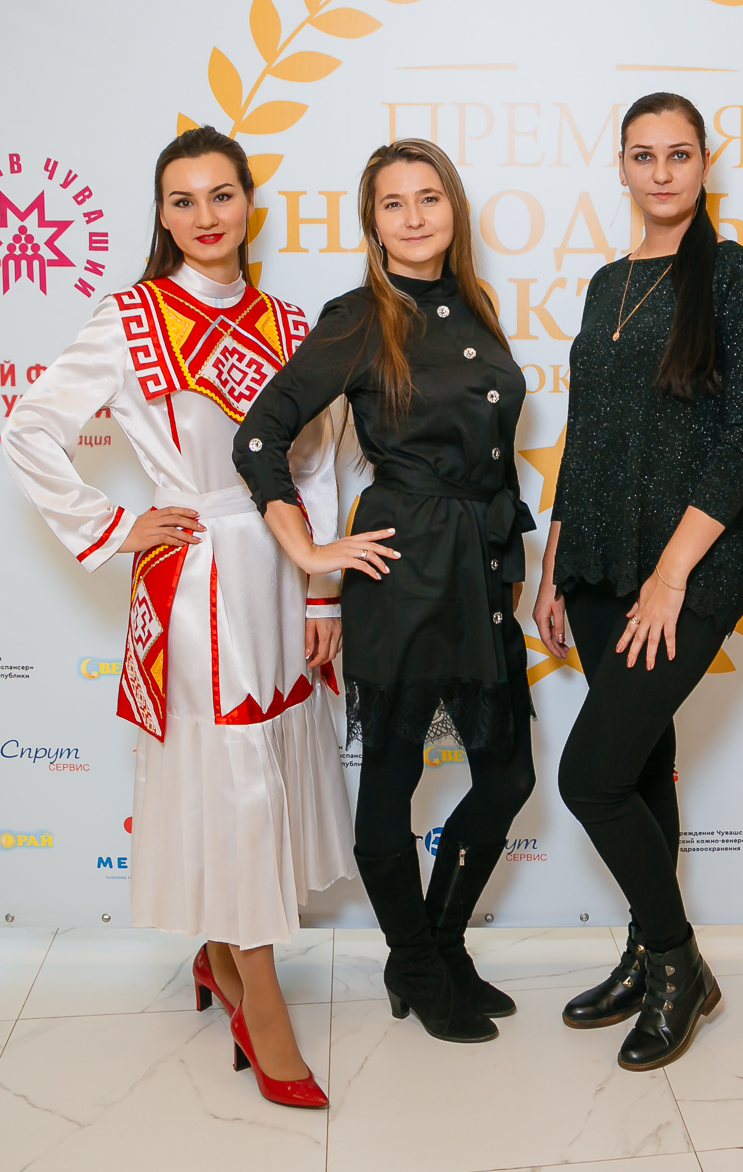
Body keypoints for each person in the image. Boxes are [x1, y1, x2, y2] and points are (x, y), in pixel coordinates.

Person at [4, 125, 365, 1110]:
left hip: (279, 568)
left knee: (265, 762)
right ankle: (262, 1003)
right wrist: (115, 524)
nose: (206, 216)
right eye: (183, 200)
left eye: (221, 194)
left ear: (250, 203)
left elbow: (316, 465)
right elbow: (30, 427)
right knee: (233, 775)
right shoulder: (128, 318)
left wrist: (322, 587)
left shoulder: (292, 323)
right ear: (161, 215)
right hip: (198, 576)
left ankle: (218, 950)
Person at [235, 138, 533, 1046]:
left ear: (453, 209)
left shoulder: (474, 304)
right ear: (372, 223)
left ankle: (438, 947)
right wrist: (311, 552)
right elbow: (259, 438)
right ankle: (415, 957)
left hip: (479, 568)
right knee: (393, 783)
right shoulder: (360, 317)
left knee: (508, 775)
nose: (414, 217)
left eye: (428, 198)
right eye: (393, 203)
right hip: (404, 574)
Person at [534, 92, 743, 1071]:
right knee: (637, 767)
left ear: (704, 162)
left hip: (686, 569)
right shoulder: (608, 283)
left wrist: (674, 574)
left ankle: (680, 965)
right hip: (597, 564)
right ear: (623, 168)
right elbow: (587, 432)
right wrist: (556, 562)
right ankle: (646, 954)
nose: (662, 172)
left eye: (679, 153)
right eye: (644, 155)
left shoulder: (738, 275)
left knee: (589, 777)